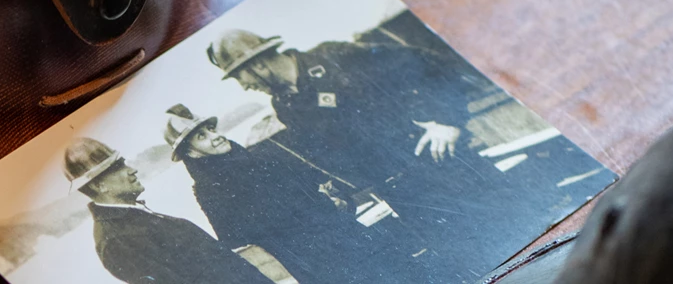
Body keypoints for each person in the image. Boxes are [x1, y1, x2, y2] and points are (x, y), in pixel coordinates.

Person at [205, 29, 519, 275]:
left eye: (240, 77)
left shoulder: (335, 57)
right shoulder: (285, 105)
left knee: (511, 239)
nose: (245, 86)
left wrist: (448, 121)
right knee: (471, 262)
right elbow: (334, 153)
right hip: (403, 195)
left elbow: (429, 61)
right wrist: (337, 190)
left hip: (447, 171)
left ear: (257, 63)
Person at [162, 104, 432, 284]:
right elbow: (237, 238)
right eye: (201, 137)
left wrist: (334, 199)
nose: (214, 136)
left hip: (346, 233)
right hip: (314, 261)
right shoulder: (208, 190)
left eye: (210, 129)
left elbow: (313, 181)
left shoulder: (259, 156)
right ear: (191, 153)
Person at [63, 137, 270, 284]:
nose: (132, 169)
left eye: (123, 163)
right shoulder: (116, 240)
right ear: (99, 186)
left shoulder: (133, 218)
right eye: (118, 167)